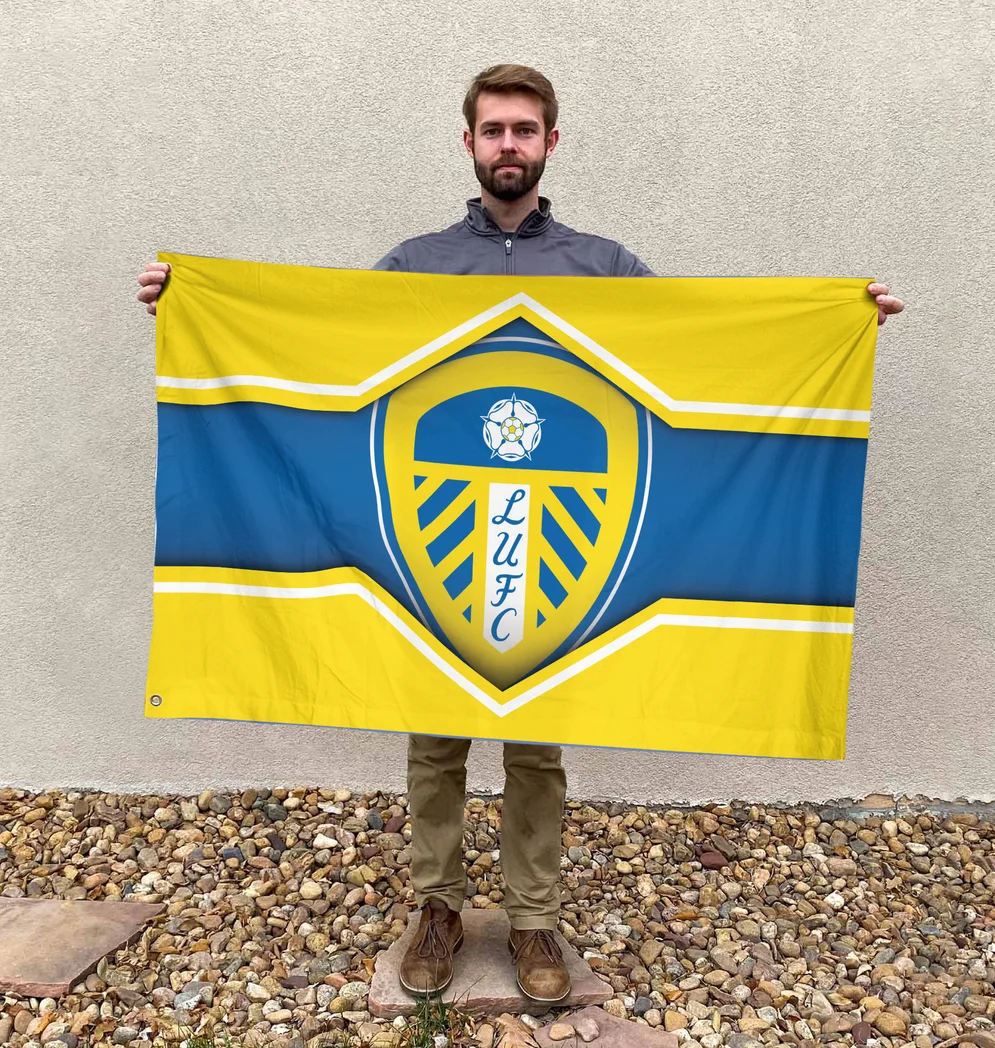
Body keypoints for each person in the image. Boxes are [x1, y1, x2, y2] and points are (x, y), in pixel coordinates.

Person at [136, 64, 904, 1004]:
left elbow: (706, 352)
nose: (510, 145)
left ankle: (535, 916)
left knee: (539, 743)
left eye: (525, 130)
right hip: (435, 544)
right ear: (468, 142)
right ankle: (438, 907)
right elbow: (316, 349)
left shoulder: (605, 270)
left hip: (557, 551)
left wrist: (837, 324)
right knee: (435, 737)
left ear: (551, 144)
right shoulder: (415, 266)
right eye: (494, 129)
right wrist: (192, 305)